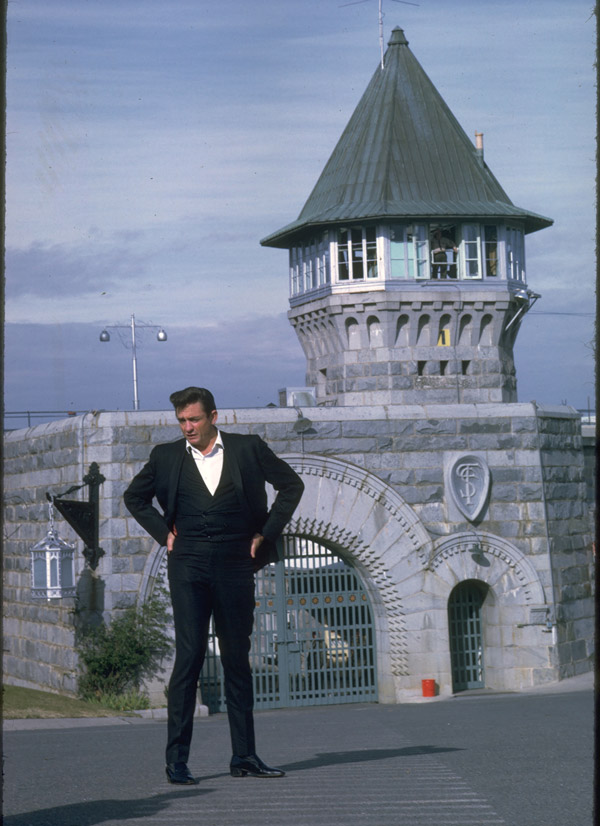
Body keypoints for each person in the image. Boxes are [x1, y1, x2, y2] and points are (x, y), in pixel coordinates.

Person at [124, 386, 304, 785]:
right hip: (188, 564)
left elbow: (292, 486)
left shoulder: (247, 448)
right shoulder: (165, 457)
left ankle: (244, 756)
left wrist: (266, 533)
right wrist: (163, 535)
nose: (187, 427)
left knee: (237, 658)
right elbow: (134, 497)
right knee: (189, 657)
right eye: (181, 421)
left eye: (194, 419)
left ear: (213, 417)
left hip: (236, 562)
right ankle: (177, 762)